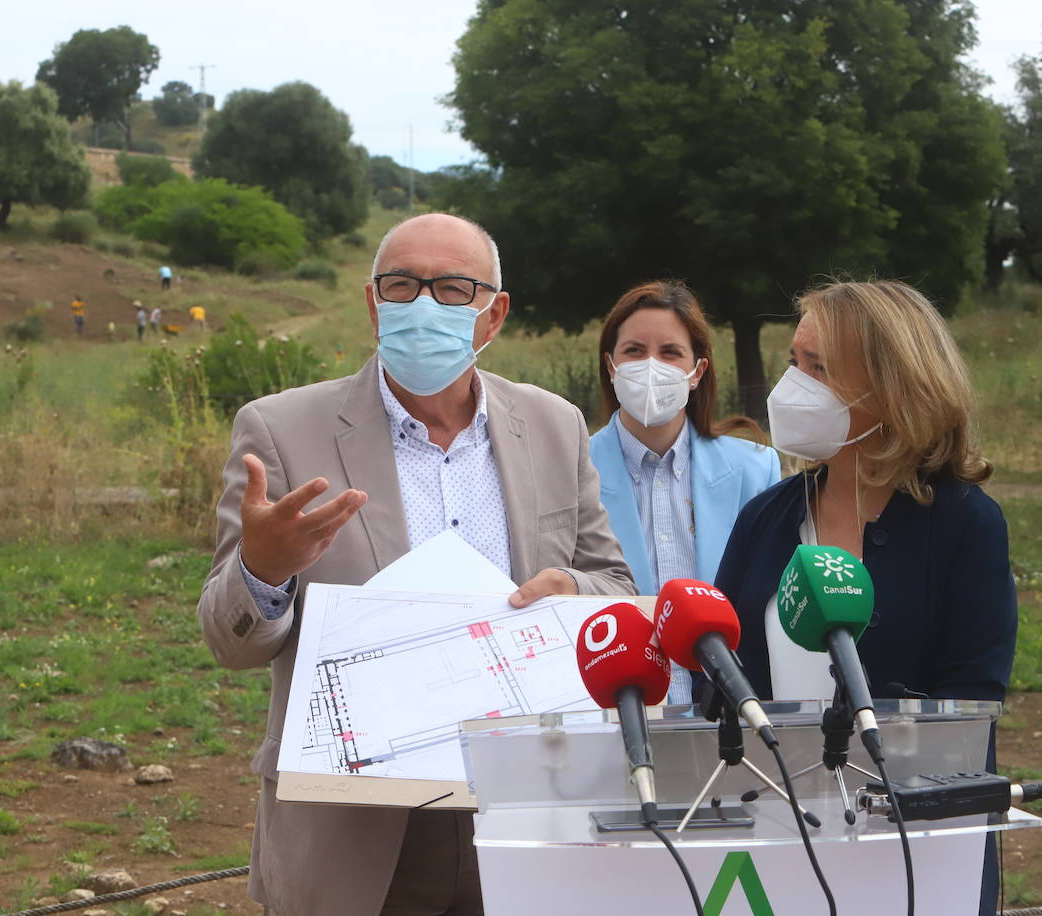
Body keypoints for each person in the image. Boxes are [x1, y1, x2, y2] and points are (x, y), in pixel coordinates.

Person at [197, 213, 635, 916]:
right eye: (402, 285)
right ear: (373, 304)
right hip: (356, 833)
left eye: (454, 288)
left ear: (494, 315)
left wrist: (572, 591)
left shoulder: (555, 425)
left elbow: (614, 586)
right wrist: (263, 571)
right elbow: (229, 641)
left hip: (526, 814)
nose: (424, 305)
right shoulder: (280, 430)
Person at [714, 279, 1016, 916]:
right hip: (777, 839)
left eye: (818, 368)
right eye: (794, 361)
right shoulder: (765, 518)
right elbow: (718, 680)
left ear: (893, 388)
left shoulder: (964, 523)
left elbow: (971, 705)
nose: (791, 387)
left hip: (912, 854)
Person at [589, 281, 780, 703]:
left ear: (697, 372)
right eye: (634, 351)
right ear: (611, 365)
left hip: (729, 706)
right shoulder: (570, 468)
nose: (651, 366)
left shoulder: (755, 468)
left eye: (670, 352)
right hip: (615, 702)